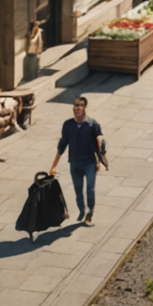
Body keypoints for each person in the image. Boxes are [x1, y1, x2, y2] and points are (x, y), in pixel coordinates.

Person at [49, 96, 104, 226]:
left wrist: (99, 161)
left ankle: (90, 212)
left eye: (81, 105)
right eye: (76, 105)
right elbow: (62, 146)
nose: (78, 108)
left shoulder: (93, 124)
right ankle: (82, 209)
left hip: (89, 162)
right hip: (74, 163)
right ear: (73, 108)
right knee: (78, 190)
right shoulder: (68, 125)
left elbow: (98, 145)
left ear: (85, 108)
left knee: (90, 189)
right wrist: (53, 166)